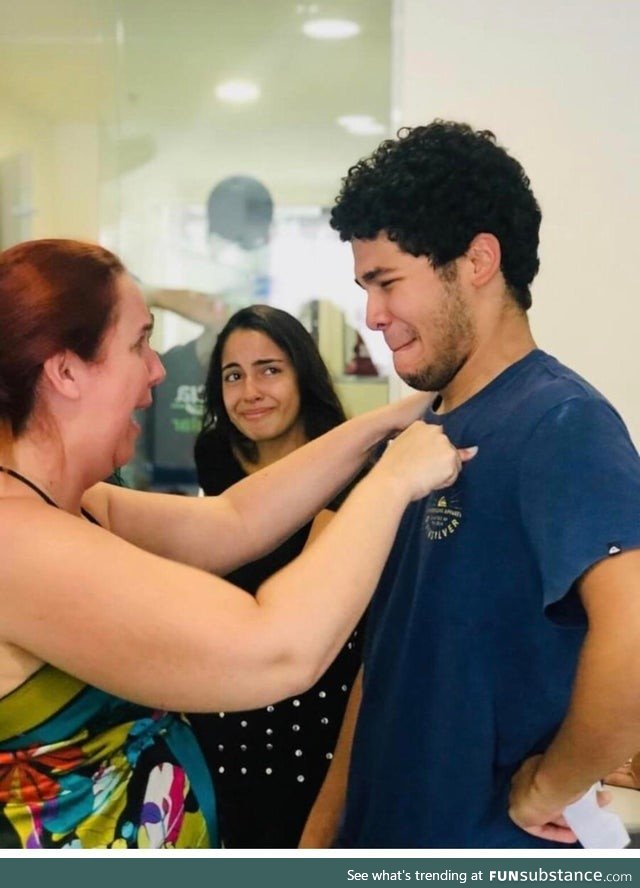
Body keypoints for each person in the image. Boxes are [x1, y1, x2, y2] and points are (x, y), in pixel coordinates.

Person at [0, 238, 472, 849]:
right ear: (65, 371)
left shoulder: (78, 505)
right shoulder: (19, 544)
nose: (158, 370)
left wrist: (389, 421)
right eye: (140, 343)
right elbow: (277, 649)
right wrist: (393, 479)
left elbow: (234, 521)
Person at [300, 120, 640, 849]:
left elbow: (636, 633)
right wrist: (323, 836)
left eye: (388, 282)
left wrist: (551, 787)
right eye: (365, 287)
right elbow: (386, 658)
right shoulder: (417, 434)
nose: (373, 316)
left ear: (478, 260)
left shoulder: (562, 422)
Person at [189, 305, 364, 848]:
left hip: (315, 702)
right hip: (226, 697)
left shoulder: (348, 460)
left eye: (270, 369)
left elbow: (311, 602)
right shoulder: (217, 453)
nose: (250, 392)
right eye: (233, 375)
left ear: (302, 375)